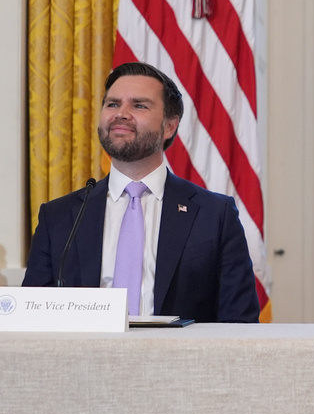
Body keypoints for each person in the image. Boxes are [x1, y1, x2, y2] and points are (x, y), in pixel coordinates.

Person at [23, 62, 260, 323]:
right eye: (112, 104)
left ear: (169, 126)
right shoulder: (59, 216)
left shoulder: (215, 215)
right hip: (86, 361)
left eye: (139, 105)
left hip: (179, 361)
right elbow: (33, 317)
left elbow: (239, 323)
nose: (121, 114)